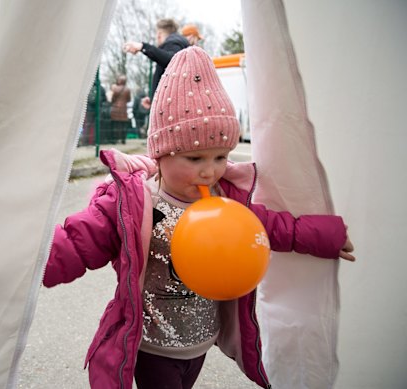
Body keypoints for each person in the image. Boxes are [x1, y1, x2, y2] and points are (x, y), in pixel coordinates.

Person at [43, 47, 355, 389]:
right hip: (153, 345)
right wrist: (26, 268)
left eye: (221, 156)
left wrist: (328, 236)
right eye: (194, 158)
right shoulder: (136, 199)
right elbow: (78, 242)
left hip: (201, 339)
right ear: (160, 154)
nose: (210, 171)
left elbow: (276, 228)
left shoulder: (227, 198)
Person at [123, 18, 189, 104]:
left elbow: (172, 59)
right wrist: (153, 99)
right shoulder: (180, 44)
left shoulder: (172, 43)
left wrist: (142, 47)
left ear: (159, 34)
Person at [110, 75, 132, 144]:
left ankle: (114, 140)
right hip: (123, 109)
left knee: (115, 125)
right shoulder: (127, 89)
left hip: (115, 109)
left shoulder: (116, 89)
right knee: (123, 125)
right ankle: (123, 140)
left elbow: (113, 99)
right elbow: (129, 99)